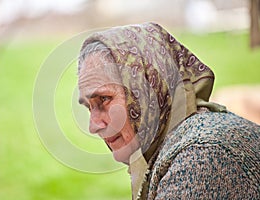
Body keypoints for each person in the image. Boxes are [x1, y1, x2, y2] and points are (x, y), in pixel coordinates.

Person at [77, 22, 260, 199]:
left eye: (104, 99)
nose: (93, 126)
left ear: (149, 88)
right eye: (89, 107)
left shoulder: (199, 155)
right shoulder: (179, 145)